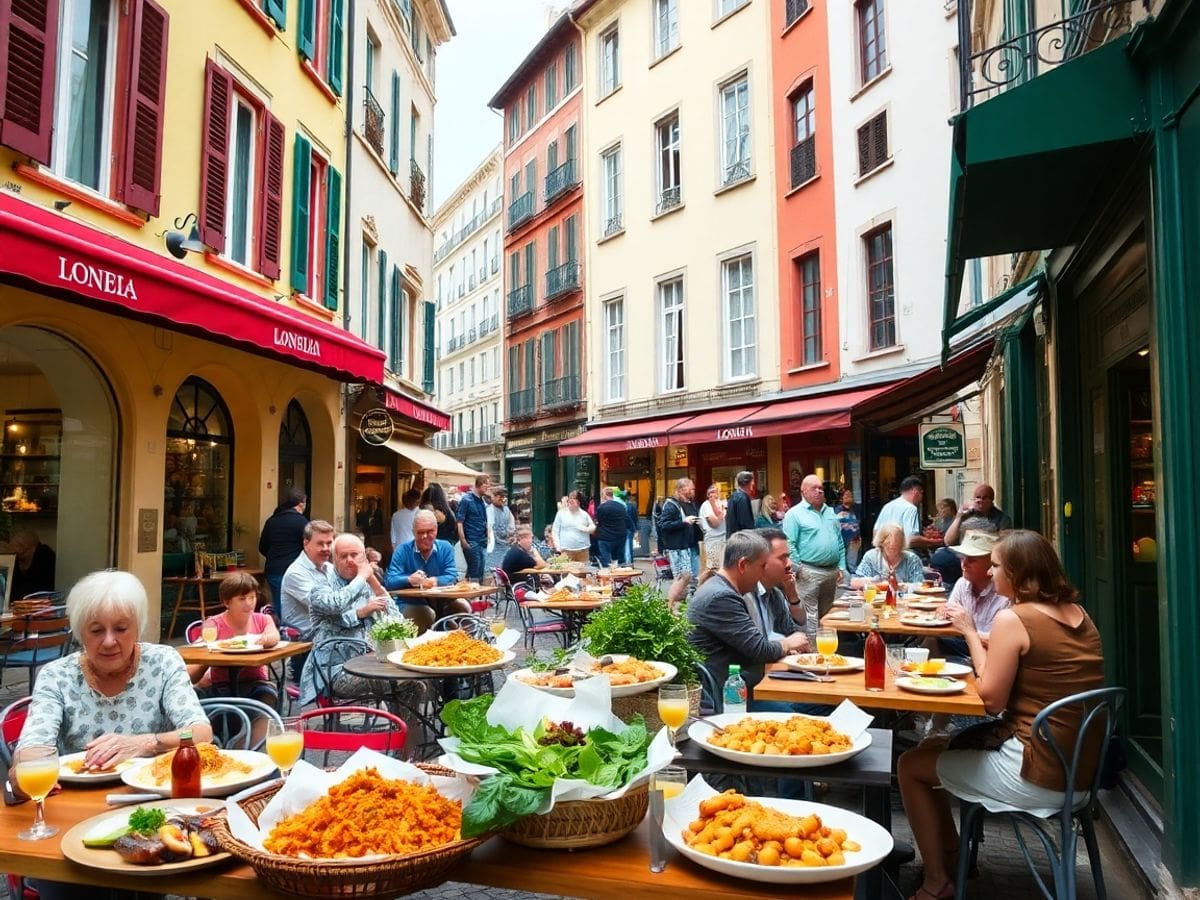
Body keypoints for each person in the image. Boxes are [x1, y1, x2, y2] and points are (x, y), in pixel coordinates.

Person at [898, 531, 1104, 900]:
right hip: (1078, 772)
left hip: (1036, 773)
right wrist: (986, 638)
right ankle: (955, 859)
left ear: (1019, 573)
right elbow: (1036, 653)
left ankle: (937, 880)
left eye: (995, 566)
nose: (991, 574)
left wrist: (971, 634)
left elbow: (991, 700)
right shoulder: (1079, 615)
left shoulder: (1014, 618)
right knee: (935, 747)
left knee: (912, 766)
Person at [15, 571, 213, 900]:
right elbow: (33, 748)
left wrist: (144, 742)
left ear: (138, 627)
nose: (109, 641)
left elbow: (201, 732)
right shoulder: (57, 676)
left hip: (147, 810)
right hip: (70, 814)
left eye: (121, 629)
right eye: (96, 630)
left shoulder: (162, 662)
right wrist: (27, 767)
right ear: (80, 633)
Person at [687, 531, 809, 693]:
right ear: (743, 565)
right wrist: (788, 643)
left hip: (743, 684)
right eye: (761, 566)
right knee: (815, 708)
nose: (762, 574)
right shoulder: (722, 597)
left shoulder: (722, 589)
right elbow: (760, 650)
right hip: (729, 695)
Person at [299, 533, 398, 706]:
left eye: (355, 555)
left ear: (364, 558)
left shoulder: (368, 585)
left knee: (417, 682)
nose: (350, 560)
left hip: (372, 663)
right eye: (343, 556)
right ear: (334, 559)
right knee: (395, 680)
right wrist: (361, 587)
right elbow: (336, 604)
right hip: (333, 672)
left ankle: (401, 731)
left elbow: (398, 620)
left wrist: (373, 582)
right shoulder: (322, 586)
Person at [188, 571, 280, 741]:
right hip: (221, 684)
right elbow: (197, 658)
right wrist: (208, 650)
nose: (249, 603)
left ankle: (249, 749)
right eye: (242, 599)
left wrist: (265, 639)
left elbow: (274, 636)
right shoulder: (214, 624)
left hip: (254, 681)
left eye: (252, 597)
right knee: (197, 700)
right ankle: (216, 746)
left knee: (268, 697)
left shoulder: (262, 619)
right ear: (226, 602)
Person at [782, 475, 846, 642]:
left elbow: (839, 540)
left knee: (828, 617)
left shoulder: (830, 512)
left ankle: (827, 654)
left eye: (821, 488)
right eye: (814, 488)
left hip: (831, 571)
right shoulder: (794, 514)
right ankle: (811, 653)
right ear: (803, 491)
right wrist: (799, 567)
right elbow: (789, 542)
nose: (819, 491)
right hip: (809, 571)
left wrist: (842, 566)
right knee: (810, 618)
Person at [385, 510, 469, 631]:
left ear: (436, 530)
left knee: (463, 607)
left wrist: (434, 581)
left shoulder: (445, 547)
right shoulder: (402, 550)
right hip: (413, 602)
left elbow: (451, 575)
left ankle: (461, 645)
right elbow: (389, 581)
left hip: (444, 601)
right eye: (420, 532)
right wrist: (409, 579)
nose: (425, 536)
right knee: (425, 615)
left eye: (430, 531)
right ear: (413, 532)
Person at [935, 531, 1009, 657]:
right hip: (966, 644)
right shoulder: (962, 583)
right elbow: (948, 617)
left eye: (972, 560)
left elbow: (1001, 644)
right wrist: (943, 612)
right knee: (931, 641)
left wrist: (968, 629)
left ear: (991, 563)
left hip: (993, 654)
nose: (964, 564)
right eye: (962, 558)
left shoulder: (1005, 592)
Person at [279, 519, 335, 639]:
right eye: (320, 544)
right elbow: (326, 606)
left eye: (329, 543)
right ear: (306, 544)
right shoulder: (296, 573)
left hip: (327, 631)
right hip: (305, 637)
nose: (326, 548)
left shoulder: (330, 568)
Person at [257, 487, 307, 609]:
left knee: (279, 605)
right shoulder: (302, 522)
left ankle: (280, 626)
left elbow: (262, 547)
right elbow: (309, 548)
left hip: (273, 570)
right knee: (295, 608)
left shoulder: (272, 521)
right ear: (301, 503)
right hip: (294, 571)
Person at [658, 478, 702, 593]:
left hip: (690, 545)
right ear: (682, 489)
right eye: (691, 488)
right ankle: (676, 602)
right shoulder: (671, 505)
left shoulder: (690, 503)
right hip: (678, 547)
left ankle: (690, 599)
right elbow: (664, 525)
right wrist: (684, 522)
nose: (693, 490)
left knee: (692, 577)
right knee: (681, 579)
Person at [875, 475, 941, 551]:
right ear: (915, 492)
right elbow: (911, 539)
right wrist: (934, 542)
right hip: (904, 555)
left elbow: (876, 533)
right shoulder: (911, 508)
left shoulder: (887, 506)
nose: (922, 497)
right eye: (921, 493)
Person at [852, 523, 926, 588]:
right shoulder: (871, 557)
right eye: (888, 544)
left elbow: (920, 585)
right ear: (881, 543)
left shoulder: (912, 559)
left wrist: (899, 586)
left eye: (897, 544)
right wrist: (876, 583)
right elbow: (855, 582)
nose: (892, 547)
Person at [942, 484, 1013, 547]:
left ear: (992, 500)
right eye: (977, 497)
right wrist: (958, 517)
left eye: (985, 498)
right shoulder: (965, 515)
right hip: (963, 552)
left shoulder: (1002, 519)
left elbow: (1004, 545)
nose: (980, 500)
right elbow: (948, 541)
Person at [456, 474, 491, 581]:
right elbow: (459, 521)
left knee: (479, 569)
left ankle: (472, 591)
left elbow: (484, 520)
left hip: (481, 540)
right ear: (479, 485)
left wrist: (487, 536)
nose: (487, 488)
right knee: (475, 569)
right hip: (471, 539)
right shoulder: (466, 500)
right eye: (486, 486)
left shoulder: (481, 500)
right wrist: (463, 540)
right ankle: (473, 592)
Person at [7, 528, 56, 600]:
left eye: (18, 544)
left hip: (40, 603)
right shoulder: (16, 559)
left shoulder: (44, 554)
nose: (13, 548)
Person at [551, 490, 596, 564]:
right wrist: (557, 546)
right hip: (566, 550)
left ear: (578, 503)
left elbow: (593, 527)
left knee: (583, 573)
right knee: (567, 573)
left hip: (583, 550)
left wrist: (587, 529)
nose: (570, 502)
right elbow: (555, 530)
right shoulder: (561, 514)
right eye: (569, 500)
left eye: (573, 501)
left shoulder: (584, 514)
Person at [594, 486, 629, 566]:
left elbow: (598, 521)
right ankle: (619, 575)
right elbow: (625, 519)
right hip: (620, 536)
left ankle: (608, 574)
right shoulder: (621, 506)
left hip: (605, 537)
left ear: (605, 495)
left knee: (606, 560)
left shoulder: (601, 508)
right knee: (619, 559)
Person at [485, 487, 517, 574]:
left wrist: (512, 536)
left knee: (504, 571)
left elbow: (512, 525)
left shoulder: (506, 509)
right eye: (499, 497)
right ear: (493, 497)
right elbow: (490, 528)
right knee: (493, 572)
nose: (502, 499)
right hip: (494, 548)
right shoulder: (490, 510)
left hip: (505, 547)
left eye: (503, 497)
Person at [698, 485, 728, 571]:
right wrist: (720, 514)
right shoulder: (706, 505)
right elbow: (714, 524)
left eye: (715, 491)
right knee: (712, 568)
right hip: (713, 540)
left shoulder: (723, 503)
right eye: (711, 492)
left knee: (723, 567)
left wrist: (720, 514)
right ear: (708, 495)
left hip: (724, 538)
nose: (714, 494)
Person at [835, 489, 863, 576]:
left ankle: (853, 579)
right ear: (841, 498)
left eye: (850, 495)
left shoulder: (856, 509)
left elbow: (859, 523)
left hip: (854, 539)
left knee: (852, 563)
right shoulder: (837, 510)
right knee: (841, 562)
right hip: (841, 540)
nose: (848, 497)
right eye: (846, 495)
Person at [725, 470, 757, 537]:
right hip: (741, 540)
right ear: (749, 483)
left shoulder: (734, 496)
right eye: (752, 481)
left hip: (733, 538)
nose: (753, 483)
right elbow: (745, 522)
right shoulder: (742, 498)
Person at [622, 489, 639, 563]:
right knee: (629, 546)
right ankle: (630, 562)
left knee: (626, 546)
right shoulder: (632, 506)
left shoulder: (623, 506)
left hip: (624, 528)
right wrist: (636, 530)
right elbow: (635, 518)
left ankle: (628, 562)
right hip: (630, 528)